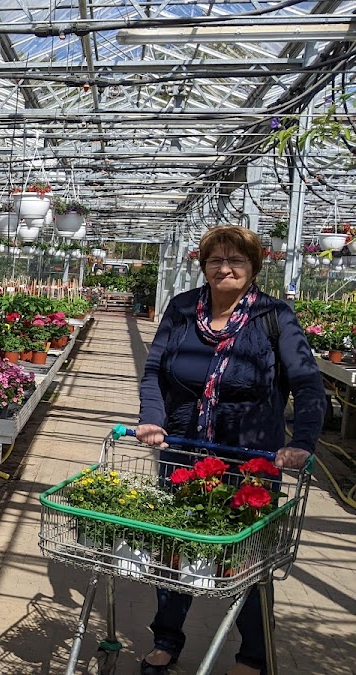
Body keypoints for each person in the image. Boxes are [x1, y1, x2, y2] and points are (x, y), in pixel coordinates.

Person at [136, 226, 325, 675]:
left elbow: (307, 383)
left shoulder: (274, 316)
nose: (225, 268)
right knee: (175, 546)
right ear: (203, 265)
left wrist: (301, 443)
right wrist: (153, 418)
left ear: (253, 267)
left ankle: (252, 655)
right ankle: (166, 639)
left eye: (236, 260)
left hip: (251, 459)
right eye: (216, 260)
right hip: (184, 449)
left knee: (245, 556)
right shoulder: (183, 308)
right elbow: (155, 370)